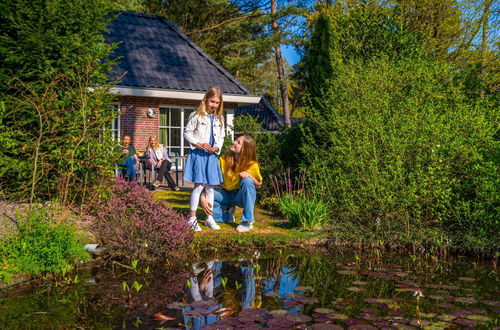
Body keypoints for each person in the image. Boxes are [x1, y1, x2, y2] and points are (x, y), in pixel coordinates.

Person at [200, 134, 263, 233]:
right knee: (207, 198)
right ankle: (227, 216)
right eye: (235, 140)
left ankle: (247, 222)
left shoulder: (252, 164)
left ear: (245, 149)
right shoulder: (223, 160)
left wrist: (249, 175)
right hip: (225, 194)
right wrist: (202, 195)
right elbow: (209, 178)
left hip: (240, 196)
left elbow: (259, 184)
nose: (234, 142)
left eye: (238, 142)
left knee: (247, 181)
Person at [183, 87, 225, 231]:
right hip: (199, 154)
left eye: (217, 102)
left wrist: (217, 147)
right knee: (199, 185)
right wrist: (198, 143)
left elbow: (221, 137)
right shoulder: (196, 116)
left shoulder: (220, 118)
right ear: (206, 100)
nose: (214, 105)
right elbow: (187, 133)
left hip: (212, 156)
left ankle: (209, 218)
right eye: (212, 101)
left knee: (210, 187)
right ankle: (192, 218)